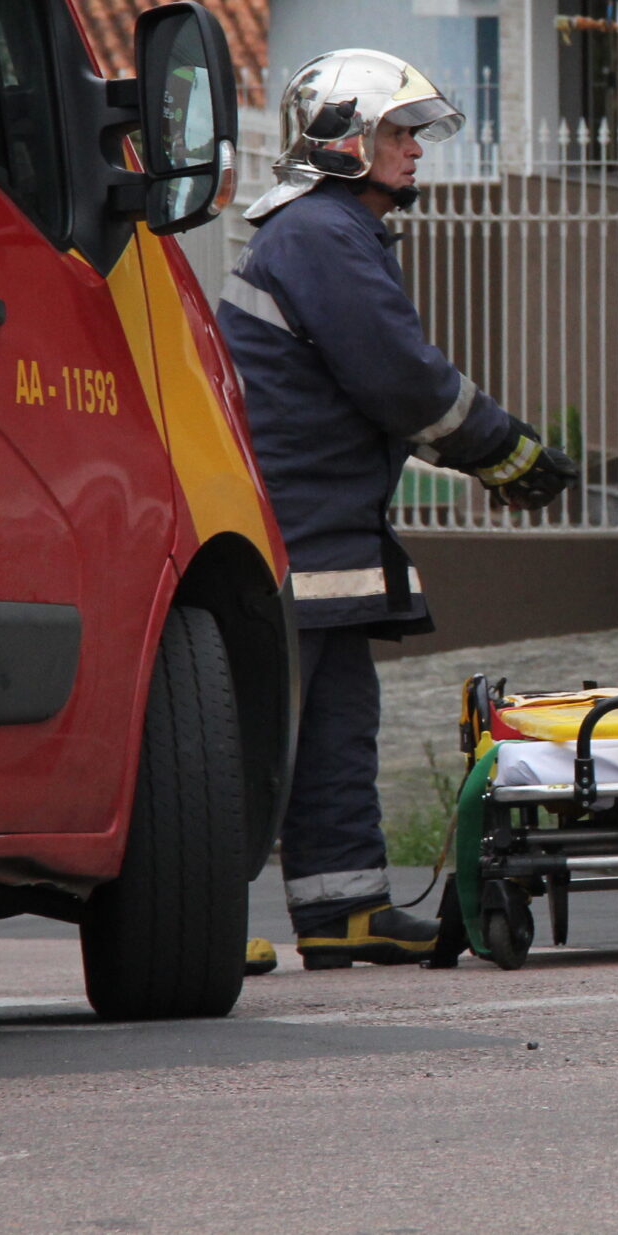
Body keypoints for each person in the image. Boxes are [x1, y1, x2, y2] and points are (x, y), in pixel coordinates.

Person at [220, 50, 576, 971]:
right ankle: (204, 916)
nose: (416, 150)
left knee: (337, 721)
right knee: (264, 735)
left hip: (324, 526)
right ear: (342, 141)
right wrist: (505, 450)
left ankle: (346, 910)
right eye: (398, 132)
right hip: (291, 525)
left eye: (416, 133)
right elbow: (398, 377)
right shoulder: (319, 235)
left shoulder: (333, 233)